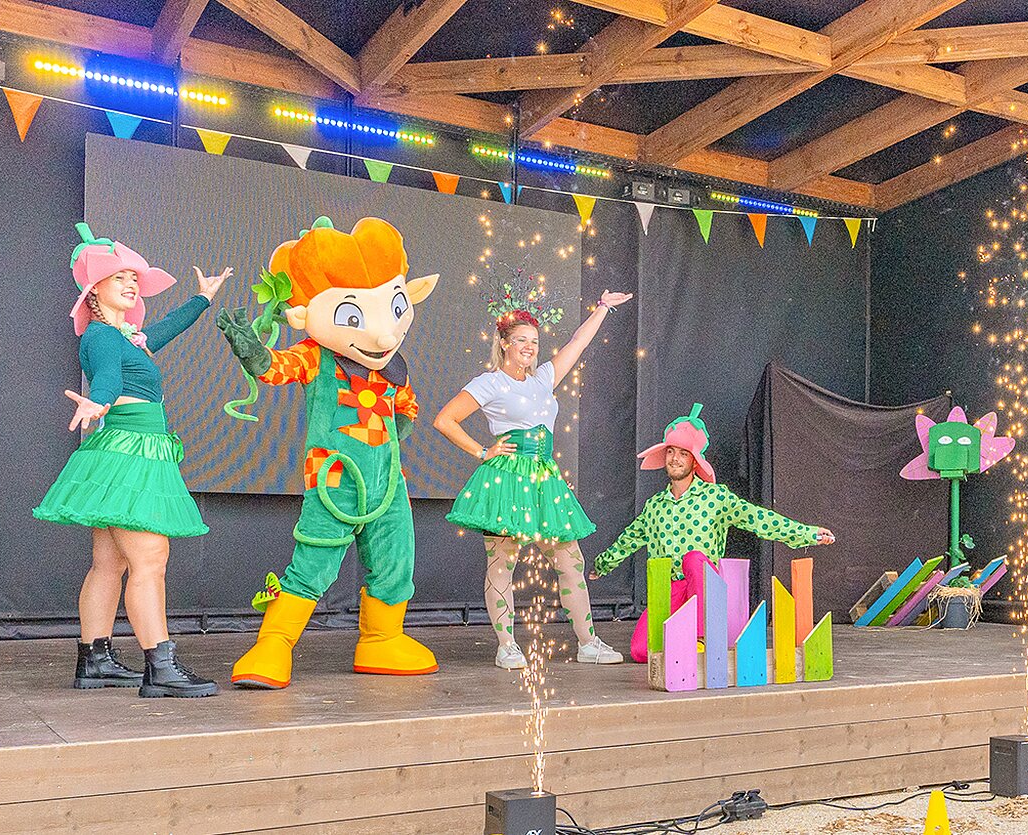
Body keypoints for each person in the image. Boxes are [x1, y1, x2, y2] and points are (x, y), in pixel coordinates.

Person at [217, 217, 439, 690]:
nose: (382, 336)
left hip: (388, 481)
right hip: (335, 476)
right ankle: (273, 642)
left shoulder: (390, 369)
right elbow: (276, 368)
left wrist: (391, 436)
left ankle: (382, 638)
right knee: (316, 559)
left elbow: (409, 407)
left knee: (396, 556)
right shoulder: (317, 356)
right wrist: (252, 352)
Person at [34, 222, 232, 697]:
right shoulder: (102, 337)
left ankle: (95, 660)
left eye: (134, 279)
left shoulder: (126, 336)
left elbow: (160, 332)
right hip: (130, 448)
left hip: (125, 449)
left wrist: (201, 300)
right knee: (150, 557)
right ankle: (160, 668)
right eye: (120, 276)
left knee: (110, 562)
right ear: (94, 289)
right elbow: (106, 377)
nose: (131, 283)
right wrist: (97, 401)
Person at [434, 290, 632, 670]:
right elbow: (445, 419)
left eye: (535, 341)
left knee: (570, 560)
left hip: (544, 478)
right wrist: (482, 452)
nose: (529, 347)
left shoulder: (543, 379)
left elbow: (578, 342)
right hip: (508, 477)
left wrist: (602, 307)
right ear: (505, 344)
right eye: (521, 340)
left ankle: (588, 642)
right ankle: (506, 645)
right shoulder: (489, 383)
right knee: (502, 562)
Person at [589, 404, 835, 663]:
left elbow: (759, 519)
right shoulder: (655, 507)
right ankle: (682, 644)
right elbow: (629, 539)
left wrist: (808, 533)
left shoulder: (716, 498)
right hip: (672, 588)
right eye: (670, 451)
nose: (674, 458)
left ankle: (700, 639)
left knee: (694, 559)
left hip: (705, 588)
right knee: (641, 652)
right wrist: (602, 565)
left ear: (694, 461)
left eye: (683, 453)